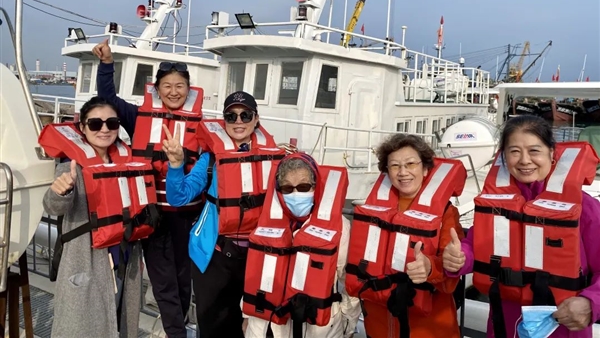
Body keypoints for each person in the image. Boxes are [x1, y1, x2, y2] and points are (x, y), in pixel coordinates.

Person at [443, 114, 600, 338]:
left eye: (534, 151)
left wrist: (591, 302)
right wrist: (458, 258)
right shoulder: (494, 205)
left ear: (552, 153)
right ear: (504, 157)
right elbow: (473, 248)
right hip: (503, 322)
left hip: (563, 325)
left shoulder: (585, 208)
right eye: (514, 151)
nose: (525, 160)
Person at [93, 40, 203, 338]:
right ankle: (176, 333)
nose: (173, 92)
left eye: (180, 86)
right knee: (163, 281)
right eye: (167, 86)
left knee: (183, 280)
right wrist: (107, 65)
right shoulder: (138, 117)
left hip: (186, 215)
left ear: (189, 89)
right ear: (157, 89)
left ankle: (177, 330)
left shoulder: (200, 124)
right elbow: (107, 99)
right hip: (152, 213)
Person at [163, 91, 285, 338]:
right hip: (215, 256)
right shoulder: (210, 160)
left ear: (256, 119)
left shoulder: (274, 158)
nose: (238, 121)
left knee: (259, 329)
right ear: (224, 121)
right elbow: (179, 197)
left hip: (259, 258)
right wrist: (176, 164)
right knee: (214, 329)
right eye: (231, 116)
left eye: (245, 115)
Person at [41, 97, 152, 338]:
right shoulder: (70, 167)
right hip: (87, 261)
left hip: (125, 258)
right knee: (82, 327)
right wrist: (61, 190)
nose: (104, 129)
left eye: (112, 123)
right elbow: (52, 206)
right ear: (82, 127)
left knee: (118, 323)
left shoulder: (127, 162)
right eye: (95, 124)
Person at [345, 133, 466, 338]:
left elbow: (450, 277)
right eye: (395, 166)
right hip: (379, 325)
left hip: (429, 330)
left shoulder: (446, 213)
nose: (403, 172)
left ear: (425, 169)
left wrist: (431, 267)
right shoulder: (373, 210)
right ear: (386, 171)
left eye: (410, 164)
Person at [243, 153, 361, 338]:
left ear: (316, 187)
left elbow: (349, 281)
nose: (296, 194)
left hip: (321, 328)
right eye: (287, 188)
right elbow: (255, 273)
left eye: (304, 187)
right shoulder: (265, 223)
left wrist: (348, 322)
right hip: (266, 326)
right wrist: (247, 315)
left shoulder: (340, 226)